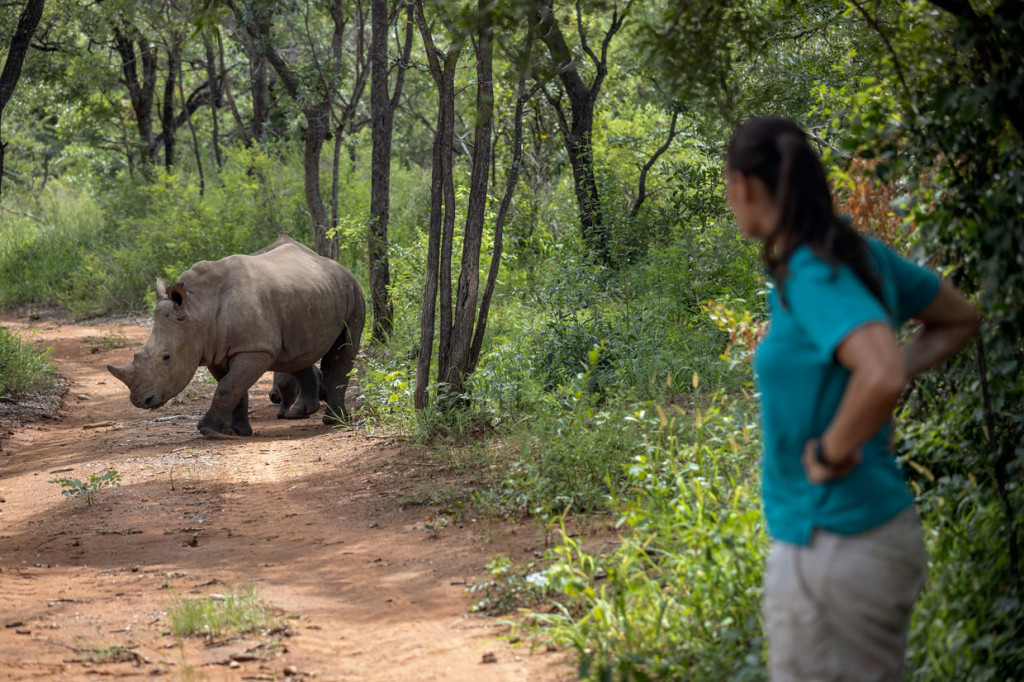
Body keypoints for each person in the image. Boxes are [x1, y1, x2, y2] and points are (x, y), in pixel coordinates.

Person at [724, 117, 980, 681]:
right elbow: (958, 317)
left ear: (744, 185)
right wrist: (896, 365)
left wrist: (831, 452)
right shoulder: (855, 254)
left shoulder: (814, 270)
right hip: (865, 534)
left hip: (832, 541)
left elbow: (882, 372)